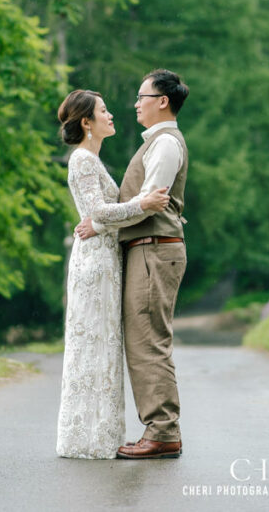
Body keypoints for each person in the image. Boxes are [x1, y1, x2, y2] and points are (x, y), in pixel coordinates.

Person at [75, 69, 189, 459]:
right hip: (146, 248)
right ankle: (159, 429)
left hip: (154, 247)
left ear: (162, 101)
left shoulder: (166, 145)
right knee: (143, 341)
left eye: (141, 96)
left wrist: (100, 219)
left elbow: (149, 202)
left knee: (148, 343)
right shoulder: (154, 143)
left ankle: (162, 432)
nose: (135, 103)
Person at [55, 89, 170, 459]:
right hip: (94, 265)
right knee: (93, 343)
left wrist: (104, 221)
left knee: (104, 343)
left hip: (106, 259)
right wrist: (143, 203)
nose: (112, 115)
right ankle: (86, 437)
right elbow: (99, 211)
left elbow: (100, 217)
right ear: (86, 122)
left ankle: (101, 432)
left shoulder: (93, 160)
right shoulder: (82, 161)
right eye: (103, 111)